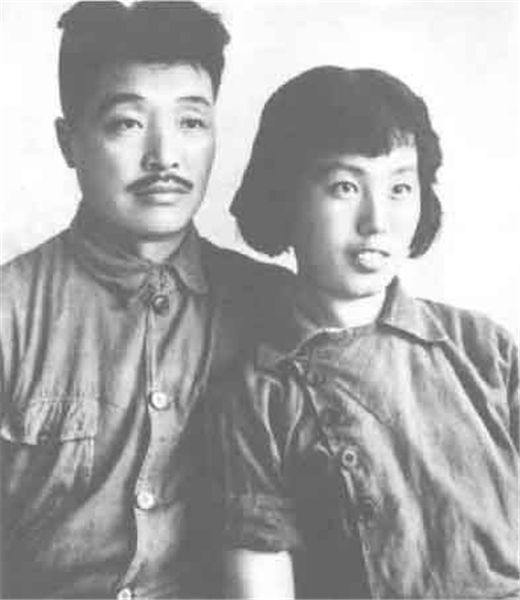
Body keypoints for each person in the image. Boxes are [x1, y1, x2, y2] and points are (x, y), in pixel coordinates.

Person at [0, 2, 288, 598]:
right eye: (127, 123)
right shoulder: (10, 312)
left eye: (191, 122)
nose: (165, 156)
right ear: (69, 142)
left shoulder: (273, 307)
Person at [210, 66, 520, 598]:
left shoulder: (484, 349)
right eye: (345, 187)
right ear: (283, 196)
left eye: (400, 187)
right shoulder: (259, 395)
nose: (377, 220)